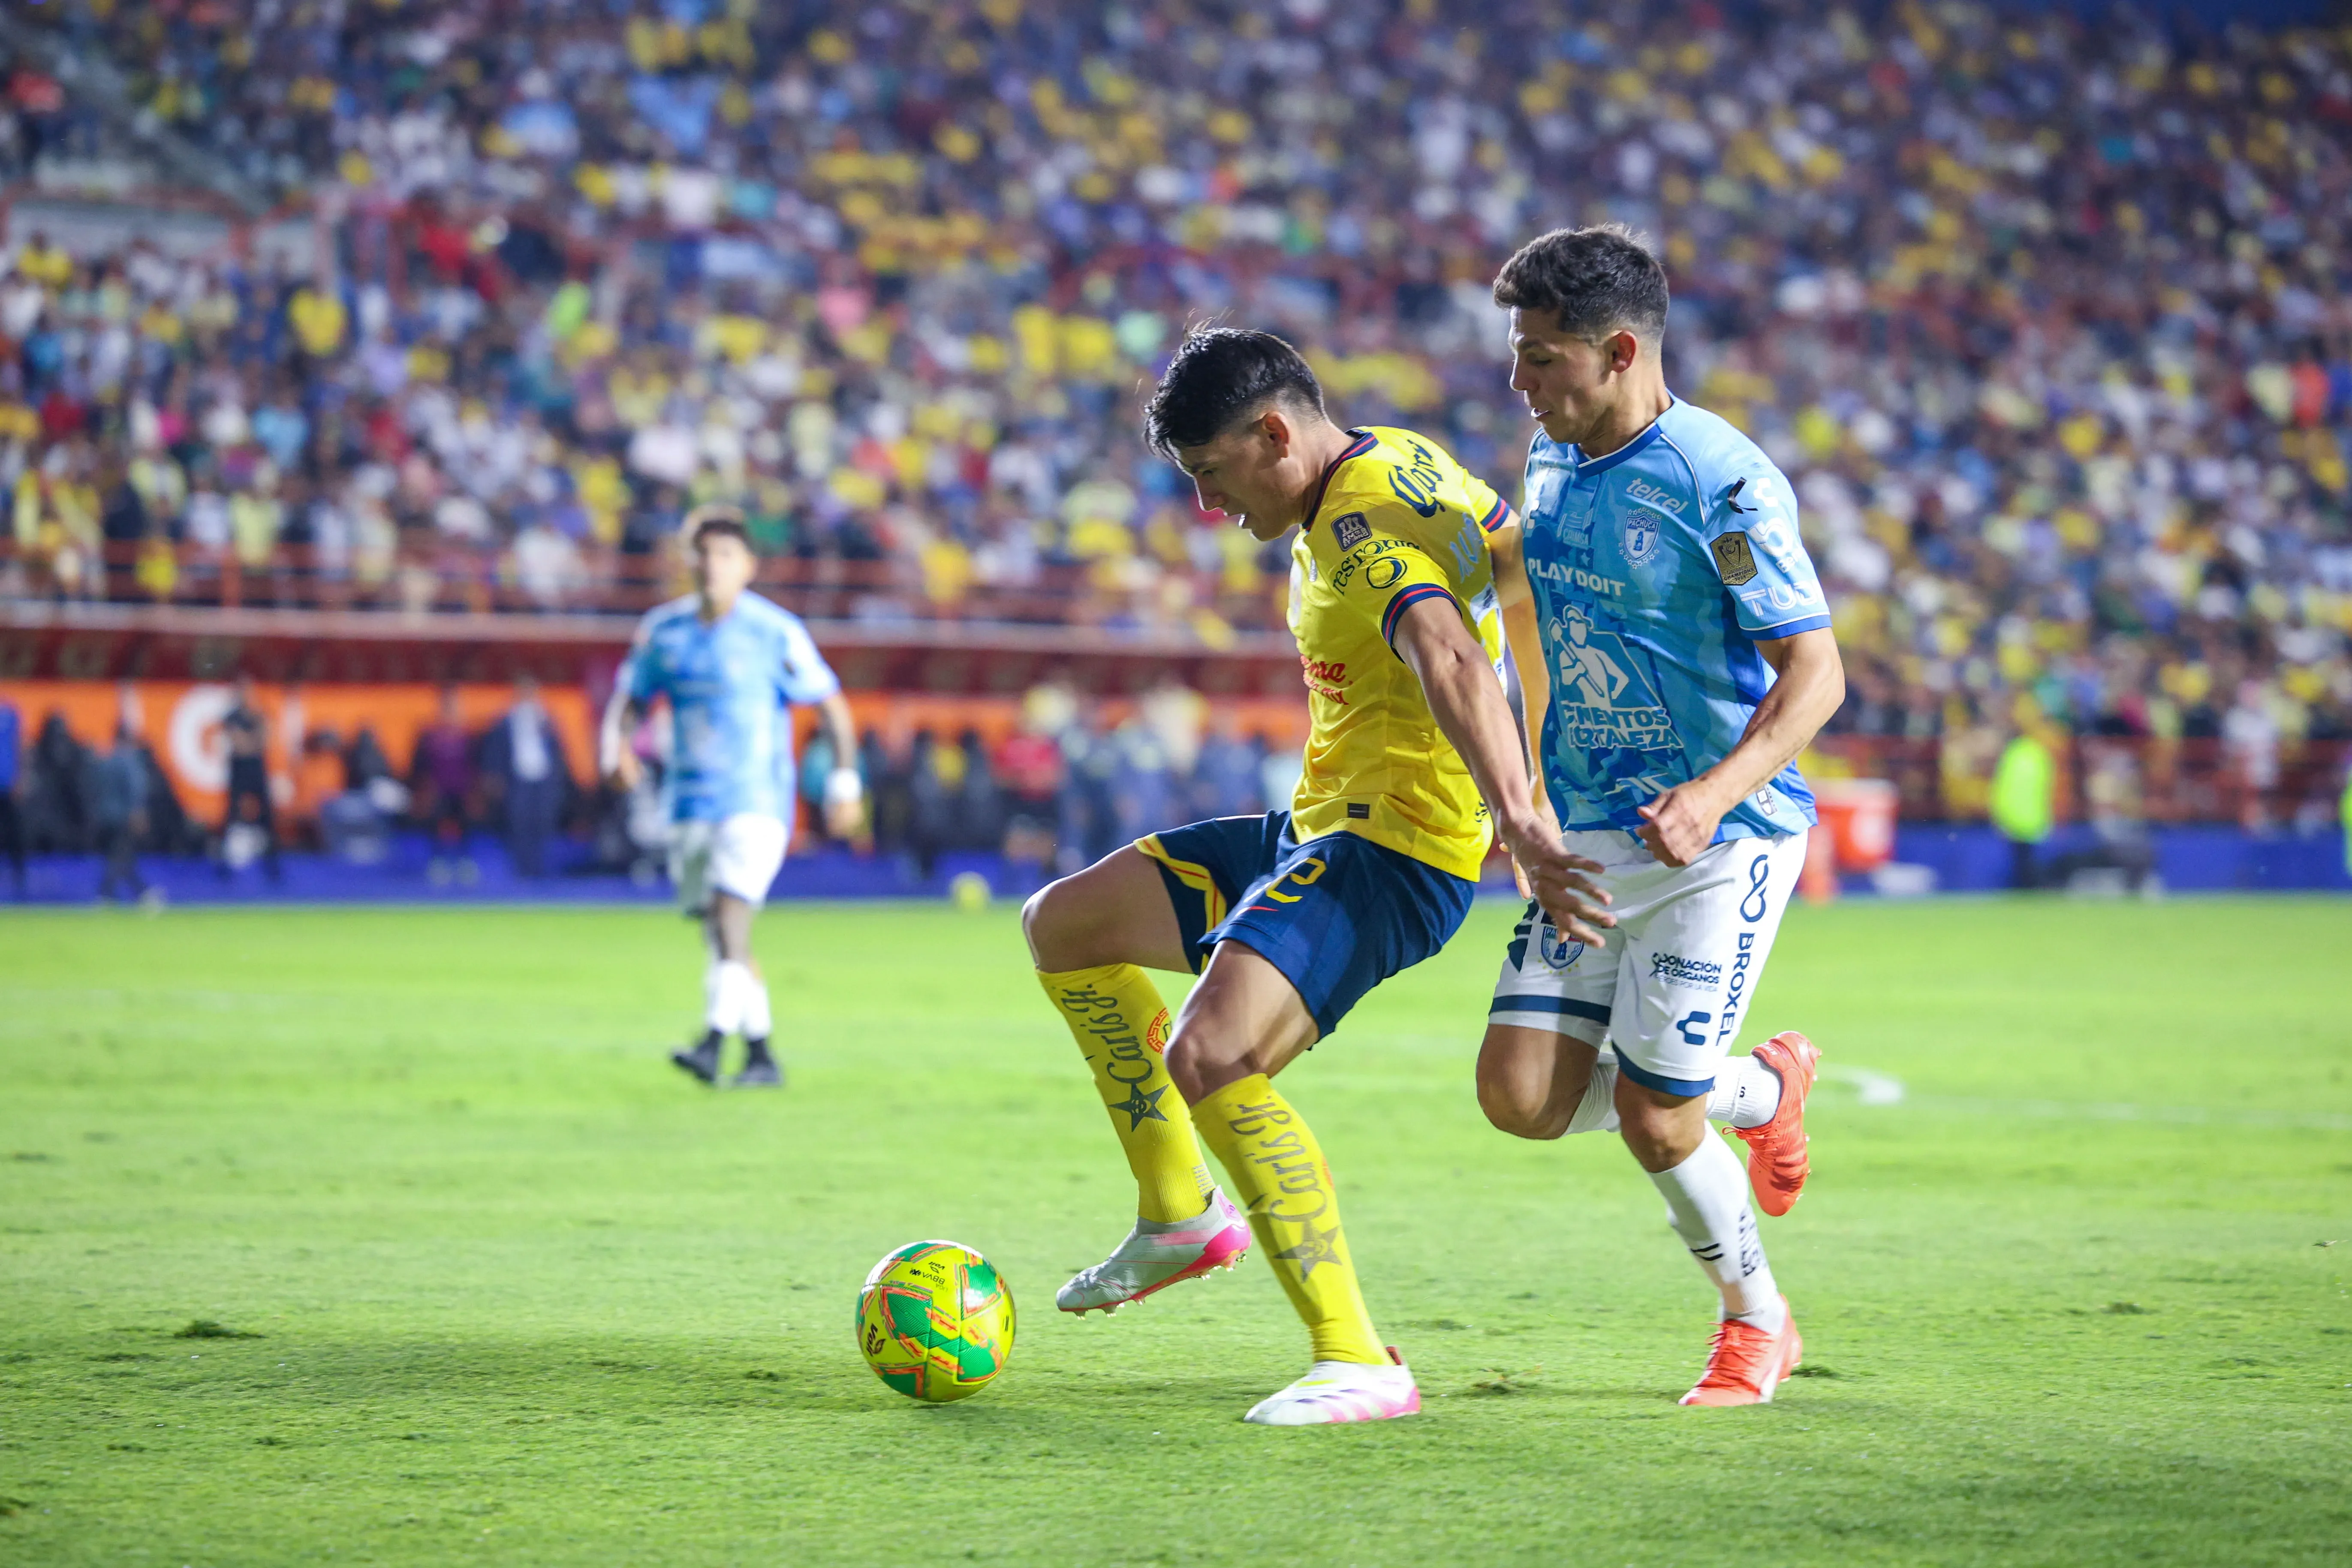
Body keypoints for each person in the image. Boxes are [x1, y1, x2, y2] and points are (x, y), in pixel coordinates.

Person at [1019, 328, 1597, 1425]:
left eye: (1212, 475)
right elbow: (1515, 572)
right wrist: (1543, 758)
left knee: (1212, 1048)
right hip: (1317, 826)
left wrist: (1523, 815)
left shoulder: (1358, 516)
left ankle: (1359, 1358)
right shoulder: (1406, 460)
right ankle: (1177, 1216)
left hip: (1392, 851)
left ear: (1273, 433)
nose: (1208, 506)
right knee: (1065, 924)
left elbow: (1447, 653)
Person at [1476, 225, 1845, 1407]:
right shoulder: (1548, 457)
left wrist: (1710, 794)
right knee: (1520, 1096)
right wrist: (1523, 784)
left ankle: (1755, 1322)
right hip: (1585, 830)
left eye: (1541, 358)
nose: (1520, 382)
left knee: (1647, 1115)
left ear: (1619, 349)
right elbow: (1528, 599)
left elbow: (1817, 675)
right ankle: (1760, 1094)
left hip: (1717, 840)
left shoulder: (1717, 480)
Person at [600, 506, 863, 1089]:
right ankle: (763, 1054)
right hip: (689, 803)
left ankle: (712, 1043)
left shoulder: (776, 631)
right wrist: (614, 750)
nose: (710, 565)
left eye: (723, 554)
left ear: (748, 566)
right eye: (701, 553)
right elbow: (629, 698)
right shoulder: (662, 632)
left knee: (729, 912)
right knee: (723, 933)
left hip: (757, 801)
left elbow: (832, 709)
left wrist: (845, 785)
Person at [480, 675, 571, 877]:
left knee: (543, 826)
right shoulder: (505, 721)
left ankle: (542, 872)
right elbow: (495, 753)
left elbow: (560, 754)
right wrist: (494, 779)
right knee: (520, 826)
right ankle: (521, 872)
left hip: (543, 783)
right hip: (518, 782)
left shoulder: (546, 721)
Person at [218, 675, 282, 880]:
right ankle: (227, 865)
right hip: (240, 771)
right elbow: (243, 746)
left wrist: (251, 741)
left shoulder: (258, 715)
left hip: (256, 770)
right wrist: (251, 741)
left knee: (267, 816)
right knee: (233, 816)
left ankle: (273, 863)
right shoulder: (231, 717)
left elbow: (262, 742)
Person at [413, 686, 477, 883]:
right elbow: (419, 765)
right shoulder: (430, 736)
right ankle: (438, 862)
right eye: (447, 706)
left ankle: (465, 862)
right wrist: (422, 790)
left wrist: (476, 790)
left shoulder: (469, 736)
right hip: (437, 790)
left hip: (462, 790)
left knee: (465, 825)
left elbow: (476, 765)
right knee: (436, 824)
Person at [91, 723, 152, 904]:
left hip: (105, 815)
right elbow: (136, 788)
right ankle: (109, 893)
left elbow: (95, 789)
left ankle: (137, 891)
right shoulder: (129, 761)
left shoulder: (105, 761)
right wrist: (138, 812)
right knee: (121, 855)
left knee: (120, 854)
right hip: (123, 816)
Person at [0, 695, 24, 896]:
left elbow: (18, 746)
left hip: (7, 784)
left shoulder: (10, 714)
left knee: (14, 832)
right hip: (8, 782)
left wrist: (18, 777)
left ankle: (19, 878)